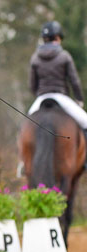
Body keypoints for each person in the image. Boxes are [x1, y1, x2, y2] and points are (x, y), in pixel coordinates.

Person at [29, 21, 87, 159]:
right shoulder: (64, 56)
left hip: (41, 98)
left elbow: (32, 86)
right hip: (62, 97)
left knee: (26, 127)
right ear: (58, 38)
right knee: (86, 123)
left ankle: (24, 164)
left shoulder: (35, 58)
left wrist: (38, 95)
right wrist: (79, 99)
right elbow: (74, 81)